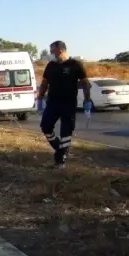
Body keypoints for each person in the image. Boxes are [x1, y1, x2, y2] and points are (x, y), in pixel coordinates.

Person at [37, 40, 91, 168]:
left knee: (66, 131)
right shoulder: (50, 65)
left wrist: (87, 99)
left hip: (68, 102)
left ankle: (60, 161)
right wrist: (39, 98)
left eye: (52, 51)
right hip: (52, 102)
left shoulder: (75, 65)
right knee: (45, 126)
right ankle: (60, 149)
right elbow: (44, 83)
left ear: (60, 50)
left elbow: (85, 83)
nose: (50, 54)